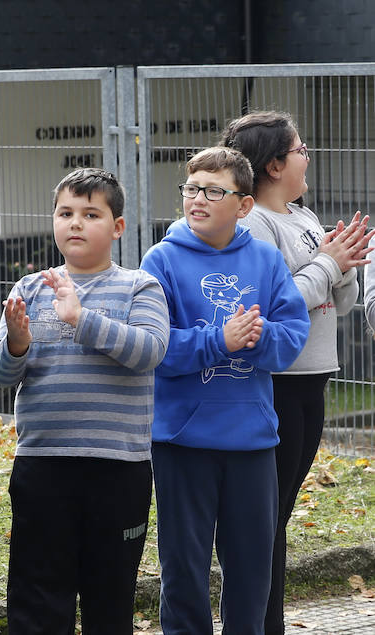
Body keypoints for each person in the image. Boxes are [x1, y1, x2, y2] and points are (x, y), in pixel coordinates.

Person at [0, 168, 170, 633]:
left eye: (91, 214)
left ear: (118, 226)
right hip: (43, 464)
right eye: (65, 213)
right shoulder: (29, 290)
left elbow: (150, 351)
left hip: (118, 468)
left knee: (110, 593)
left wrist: (81, 318)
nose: (76, 223)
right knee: (38, 595)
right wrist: (17, 344)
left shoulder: (140, 286)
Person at [140, 147, 310, 634]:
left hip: (252, 442)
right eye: (192, 188)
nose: (198, 199)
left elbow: (291, 336)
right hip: (181, 443)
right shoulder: (161, 259)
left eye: (214, 191)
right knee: (183, 567)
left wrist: (257, 336)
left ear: (244, 205)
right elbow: (155, 346)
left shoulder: (265, 259)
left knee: (253, 570)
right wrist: (220, 340)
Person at [220, 111, 374, 634]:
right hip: (277, 384)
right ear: (273, 165)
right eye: (301, 149)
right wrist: (328, 263)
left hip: (315, 378)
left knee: (279, 512)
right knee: (266, 517)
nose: (308, 157)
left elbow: (340, 301)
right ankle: (259, 622)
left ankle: (268, 621)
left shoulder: (303, 217)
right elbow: (275, 303)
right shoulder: (255, 224)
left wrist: (343, 262)